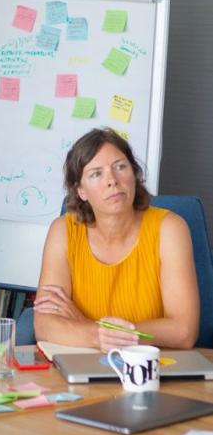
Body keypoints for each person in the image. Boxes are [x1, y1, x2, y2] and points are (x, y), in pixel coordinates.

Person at [34, 128, 199, 352]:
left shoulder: (170, 229)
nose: (112, 180)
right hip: (84, 360)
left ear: (134, 174)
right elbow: (44, 324)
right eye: (96, 174)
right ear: (81, 190)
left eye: (120, 167)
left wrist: (87, 326)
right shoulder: (63, 231)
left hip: (153, 366)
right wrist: (99, 336)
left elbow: (184, 332)